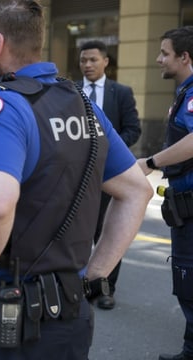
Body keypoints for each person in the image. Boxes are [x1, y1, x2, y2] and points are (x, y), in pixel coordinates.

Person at [0, 1, 152, 359]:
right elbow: (136, 190)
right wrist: (93, 275)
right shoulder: (81, 103)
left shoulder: (0, 105)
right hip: (70, 317)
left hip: (9, 318)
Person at [137, 25, 193, 360]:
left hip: (190, 204)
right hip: (183, 202)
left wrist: (151, 161)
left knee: (189, 279)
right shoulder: (184, 92)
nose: (159, 59)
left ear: (185, 57)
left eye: (164, 53)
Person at [77, 40, 142, 310]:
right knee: (79, 230)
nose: (88, 65)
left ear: (105, 62)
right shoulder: (69, 92)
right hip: (77, 175)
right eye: (83, 60)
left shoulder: (121, 93)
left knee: (108, 230)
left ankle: (105, 288)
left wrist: (109, 152)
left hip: (110, 174)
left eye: (93, 59)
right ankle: (76, 285)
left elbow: (132, 129)